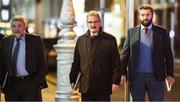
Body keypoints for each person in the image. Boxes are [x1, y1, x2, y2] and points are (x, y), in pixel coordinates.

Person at [120, 4, 175, 101]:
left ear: (152, 15)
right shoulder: (131, 32)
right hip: (136, 78)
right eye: (143, 15)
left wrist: (170, 74)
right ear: (139, 16)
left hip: (156, 77)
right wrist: (122, 73)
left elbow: (168, 55)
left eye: (148, 14)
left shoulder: (162, 32)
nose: (145, 17)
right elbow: (125, 55)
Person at [69, 10, 121, 101]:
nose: (93, 25)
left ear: (100, 23)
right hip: (86, 87)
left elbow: (116, 63)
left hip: (103, 87)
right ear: (87, 24)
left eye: (95, 22)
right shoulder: (80, 40)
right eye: (90, 22)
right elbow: (76, 62)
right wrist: (72, 79)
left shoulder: (110, 40)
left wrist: (115, 81)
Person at [0, 15, 48, 101]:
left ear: (25, 26)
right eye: (14, 26)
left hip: (30, 82)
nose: (16, 28)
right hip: (11, 84)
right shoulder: (5, 41)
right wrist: (1, 83)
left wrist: (37, 82)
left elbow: (42, 62)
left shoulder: (35, 40)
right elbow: (2, 64)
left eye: (19, 25)